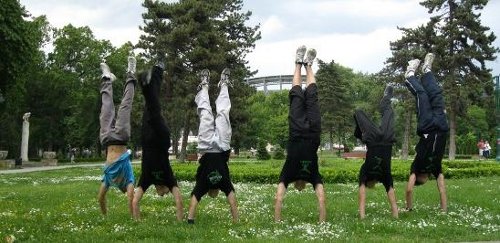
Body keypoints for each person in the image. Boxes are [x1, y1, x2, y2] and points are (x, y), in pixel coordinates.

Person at [274, 45, 326, 222]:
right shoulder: (308, 175)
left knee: (304, 95)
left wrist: (277, 221)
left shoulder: (290, 174)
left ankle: (300, 63)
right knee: (303, 95)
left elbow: (320, 198)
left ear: (299, 185)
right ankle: (307, 65)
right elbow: (279, 197)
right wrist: (321, 220)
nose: (302, 186)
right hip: (307, 132)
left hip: (305, 132)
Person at [132, 58, 183, 221]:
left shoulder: (148, 179)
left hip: (149, 140)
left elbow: (135, 202)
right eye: (166, 193)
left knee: (151, 106)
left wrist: (137, 221)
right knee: (153, 108)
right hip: (159, 141)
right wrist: (180, 219)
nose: (162, 195)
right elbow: (179, 201)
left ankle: (155, 73)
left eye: (162, 194)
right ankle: (148, 81)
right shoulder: (167, 178)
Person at [187, 68, 238, 224]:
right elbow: (195, 200)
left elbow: (232, 200)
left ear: (211, 191)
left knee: (214, 113)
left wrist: (190, 220)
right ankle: (220, 84)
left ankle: (208, 85)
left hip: (212, 145)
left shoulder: (207, 184)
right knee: (212, 113)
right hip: (215, 145)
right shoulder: (219, 184)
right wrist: (236, 220)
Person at [404, 53, 449, 212]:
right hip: (442, 126)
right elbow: (442, 189)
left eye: (425, 181)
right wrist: (443, 210)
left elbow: (409, 190)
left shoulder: (417, 168)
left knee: (422, 95)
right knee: (436, 94)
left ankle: (410, 74)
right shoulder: (435, 169)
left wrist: (409, 208)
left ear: (419, 180)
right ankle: (427, 70)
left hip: (427, 126)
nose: (428, 180)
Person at [97, 56, 137, 216]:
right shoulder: (129, 178)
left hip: (107, 138)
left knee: (106, 107)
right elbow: (131, 199)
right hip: (121, 137)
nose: (126, 190)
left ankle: (107, 78)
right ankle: (131, 73)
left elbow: (100, 199)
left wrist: (105, 217)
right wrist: (134, 219)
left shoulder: (108, 178)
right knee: (125, 105)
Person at [354, 85, 398, 219]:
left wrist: (362, 216)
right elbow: (390, 193)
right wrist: (395, 214)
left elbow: (362, 195)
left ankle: (359, 135)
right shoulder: (384, 177)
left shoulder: (366, 174)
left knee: (359, 113)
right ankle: (386, 99)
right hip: (383, 139)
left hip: (380, 140)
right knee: (386, 113)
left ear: (368, 183)